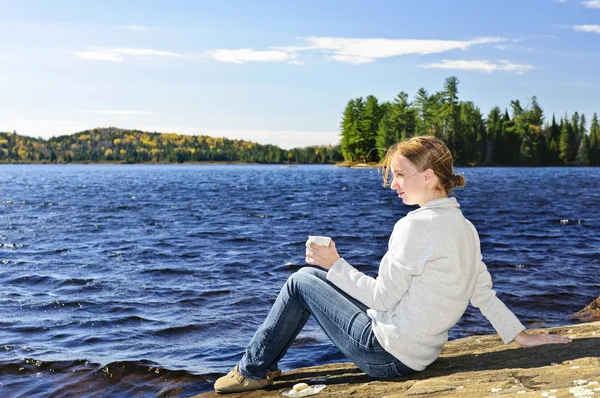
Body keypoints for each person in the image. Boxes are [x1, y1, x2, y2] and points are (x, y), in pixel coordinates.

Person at [214, 135, 572, 393]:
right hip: (421, 353)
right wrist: (520, 335)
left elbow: (383, 299)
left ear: (428, 176)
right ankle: (260, 366)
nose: (393, 185)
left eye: (400, 175)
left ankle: (252, 370)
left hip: (386, 355)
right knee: (315, 279)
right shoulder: (464, 227)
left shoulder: (414, 226)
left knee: (302, 281)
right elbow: (482, 292)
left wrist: (335, 263)